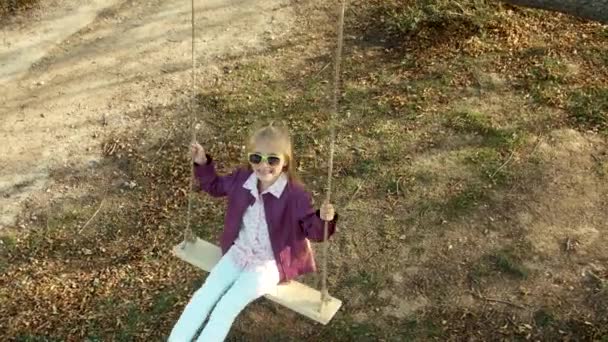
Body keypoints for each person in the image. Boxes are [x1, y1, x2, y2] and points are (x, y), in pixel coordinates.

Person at [168, 122, 338, 341]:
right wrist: (202, 162)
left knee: (226, 307)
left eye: (273, 159)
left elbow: (313, 232)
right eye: (256, 158)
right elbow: (216, 186)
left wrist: (324, 219)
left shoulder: (295, 194)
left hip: (269, 264)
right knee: (201, 298)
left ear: (285, 162)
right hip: (238, 252)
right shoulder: (243, 179)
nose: (263, 165)